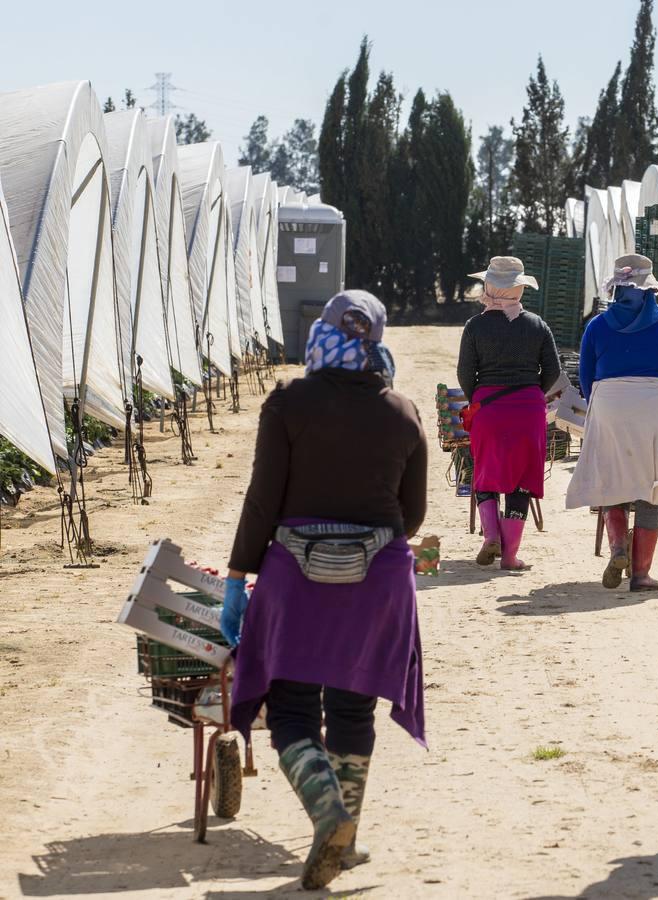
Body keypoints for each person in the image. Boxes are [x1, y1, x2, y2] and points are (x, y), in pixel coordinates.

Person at [219, 290, 427, 891]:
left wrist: (238, 576)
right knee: (353, 703)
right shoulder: (403, 412)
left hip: (296, 573)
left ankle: (326, 813)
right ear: (377, 341)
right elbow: (410, 517)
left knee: (287, 704)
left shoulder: (287, 402)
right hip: (378, 578)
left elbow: (264, 501)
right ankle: (349, 835)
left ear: (321, 335)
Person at [566, 254, 658, 591]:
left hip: (609, 405)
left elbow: (587, 376)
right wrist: (655, 398)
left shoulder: (597, 326)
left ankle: (618, 547)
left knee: (612, 477)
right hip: (656, 409)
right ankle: (641, 574)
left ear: (617, 288)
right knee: (653, 485)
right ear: (649, 289)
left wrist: (608, 402)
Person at [458, 257, 561, 571]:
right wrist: (530, 393)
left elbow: (465, 373)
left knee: (485, 472)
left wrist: (479, 398)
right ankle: (511, 556)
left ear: (489, 286)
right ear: (519, 288)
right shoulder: (537, 325)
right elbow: (554, 372)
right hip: (528, 409)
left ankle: (490, 535)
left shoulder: (475, 326)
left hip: (488, 408)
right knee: (522, 480)